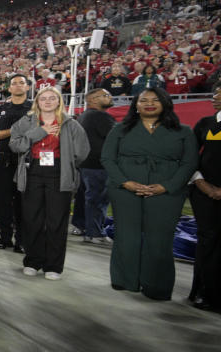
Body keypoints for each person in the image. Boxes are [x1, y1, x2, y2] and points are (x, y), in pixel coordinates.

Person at [101, 88, 198, 300]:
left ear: (165, 103)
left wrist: (167, 186)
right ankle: (124, 280)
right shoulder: (120, 129)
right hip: (125, 190)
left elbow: (190, 163)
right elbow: (107, 158)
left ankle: (157, 286)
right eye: (143, 100)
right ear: (135, 104)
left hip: (166, 192)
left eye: (155, 100)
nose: (149, 103)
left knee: (160, 239)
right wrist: (126, 183)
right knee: (127, 236)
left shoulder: (184, 131)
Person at [10, 87, 89, 280]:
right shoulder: (27, 121)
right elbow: (15, 145)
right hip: (33, 173)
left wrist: (67, 165)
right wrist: (40, 132)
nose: (47, 101)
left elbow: (81, 152)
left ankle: (53, 266)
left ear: (58, 101)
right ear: (37, 102)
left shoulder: (70, 123)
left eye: (52, 98)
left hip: (59, 174)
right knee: (32, 219)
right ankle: (32, 261)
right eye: (43, 98)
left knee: (56, 222)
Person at [0, 74, 32, 253]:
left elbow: (37, 132)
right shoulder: (0, 109)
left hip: (26, 161)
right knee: (2, 201)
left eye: (21, 83)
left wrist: (7, 132)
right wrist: (17, 130)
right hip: (2, 160)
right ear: (9, 88)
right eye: (14, 83)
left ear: (27, 87)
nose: (17, 86)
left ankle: (21, 241)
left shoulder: (34, 109)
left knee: (23, 202)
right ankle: (5, 238)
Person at [189, 82, 221, 312]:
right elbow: (189, 157)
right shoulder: (205, 124)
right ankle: (204, 291)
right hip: (205, 192)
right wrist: (201, 182)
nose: (215, 96)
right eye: (215, 92)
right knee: (208, 241)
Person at [71, 89, 116, 243]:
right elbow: (115, 138)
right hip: (98, 165)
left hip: (85, 163)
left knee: (84, 197)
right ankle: (94, 232)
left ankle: (81, 225)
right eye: (105, 95)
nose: (109, 97)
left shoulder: (84, 115)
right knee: (97, 199)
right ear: (93, 100)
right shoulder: (101, 116)